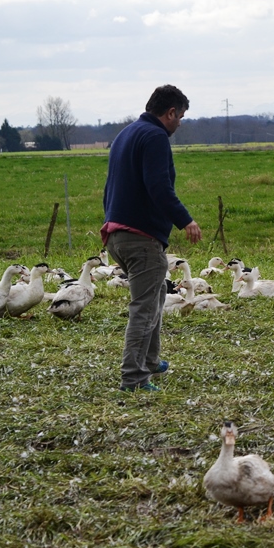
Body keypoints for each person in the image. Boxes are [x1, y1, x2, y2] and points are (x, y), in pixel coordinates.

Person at [102, 84, 202, 392]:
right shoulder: (156, 136)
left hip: (116, 233)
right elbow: (159, 187)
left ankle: (150, 359)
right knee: (144, 308)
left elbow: (111, 185)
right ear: (170, 112)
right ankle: (134, 377)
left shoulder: (126, 133)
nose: (180, 123)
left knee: (157, 292)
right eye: (181, 116)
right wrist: (185, 220)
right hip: (141, 237)